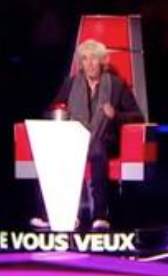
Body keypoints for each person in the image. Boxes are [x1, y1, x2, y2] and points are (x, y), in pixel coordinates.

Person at [31, 39, 143, 230]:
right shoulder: (71, 84)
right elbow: (50, 110)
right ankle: (53, 214)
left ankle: (99, 215)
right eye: (85, 59)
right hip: (76, 139)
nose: (90, 63)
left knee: (97, 148)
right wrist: (60, 115)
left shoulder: (116, 85)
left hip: (104, 139)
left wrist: (115, 115)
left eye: (94, 58)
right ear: (80, 64)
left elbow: (137, 116)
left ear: (102, 62)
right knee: (53, 153)